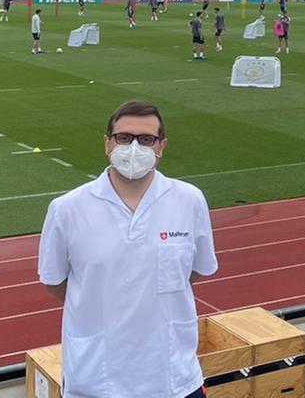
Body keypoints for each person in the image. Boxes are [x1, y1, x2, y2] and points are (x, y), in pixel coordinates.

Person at [38, 100, 218, 398]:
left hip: (174, 380)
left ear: (161, 147)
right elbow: (54, 282)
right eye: (124, 137)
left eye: (146, 139)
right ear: (108, 143)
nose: (134, 147)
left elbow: (196, 270)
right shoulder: (67, 209)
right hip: (96, 382)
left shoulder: (190, 200)